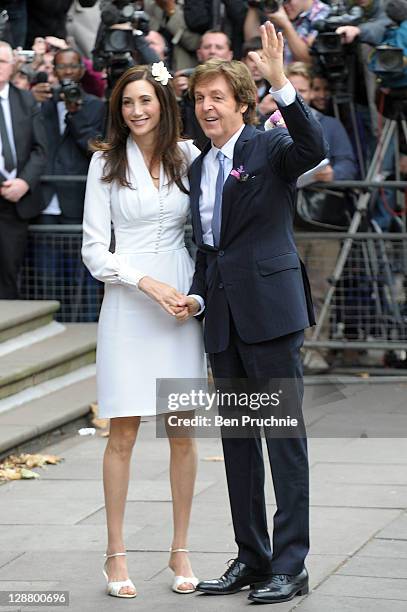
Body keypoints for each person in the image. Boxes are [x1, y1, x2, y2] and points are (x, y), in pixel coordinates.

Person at [175, 22, 326, 604]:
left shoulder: (271, 146)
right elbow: (209, 247)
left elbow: (314, 151)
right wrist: (196, 296)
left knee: (282, 439)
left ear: (241, 101)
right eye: (199, 99)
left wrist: (282, 83)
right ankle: (253, 557)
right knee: (238, 444)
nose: (207, 107)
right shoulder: (199, 168)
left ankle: (292, 564)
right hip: (223, 320)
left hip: (271, 313)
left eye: (217, 97)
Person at [81, 63, 206, 597]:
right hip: (129, 305)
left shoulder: (191, 157)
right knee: (124, 433)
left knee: (182, 433)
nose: (136, 110)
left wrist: (194, 296)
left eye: (145, 101)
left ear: (162, 103)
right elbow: (92, 250)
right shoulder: (104, 164)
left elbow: (210, 233)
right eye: (127, 102)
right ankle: (116, 555)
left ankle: (181, 549)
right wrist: (145, 282)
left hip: (181, 305)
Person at [0, 40, 47, 299]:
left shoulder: (26, 100)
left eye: (2, 61)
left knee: (10, 272)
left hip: (17, 202)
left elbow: (41, 149)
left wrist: (24, 183)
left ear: (13, 66)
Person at [244, 0, 330, 64]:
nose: (284, 6)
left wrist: (285, 25)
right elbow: (254, 43)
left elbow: (306, 59)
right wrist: (254, 5)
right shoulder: (280, 11)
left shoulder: (324, 14)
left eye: (287, 0)